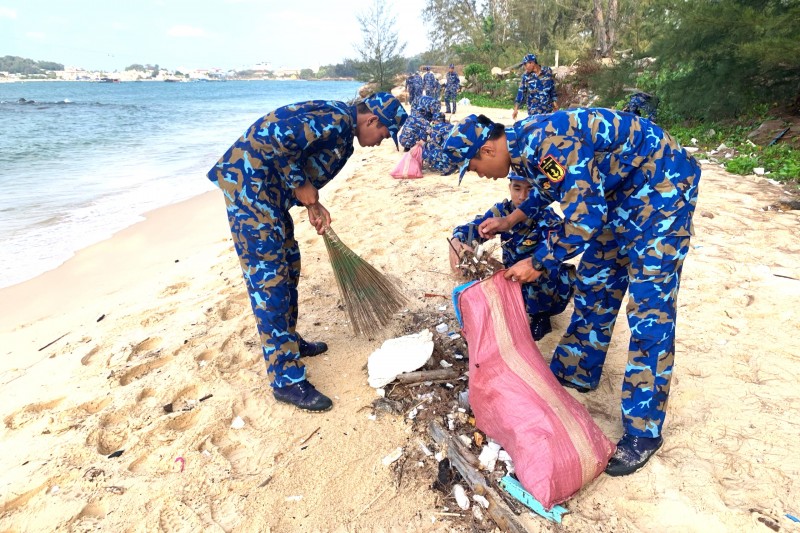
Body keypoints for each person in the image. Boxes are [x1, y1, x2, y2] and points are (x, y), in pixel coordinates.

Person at [441, 110, 701, 476]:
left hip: (662, 193)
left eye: (474, 166)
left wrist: (540, 261)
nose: (480, 175)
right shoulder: (526, 147)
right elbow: (553, 185)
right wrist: (510, 220)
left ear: (487, 149)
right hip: (617, 196)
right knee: (595, 283)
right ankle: (577, 370)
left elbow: (585, 218)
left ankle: (644, 431)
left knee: (649, 311)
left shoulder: (546, 142)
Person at [207, 93, 408, 412]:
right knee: (269, 283)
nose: (383, 140)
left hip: (268, 196)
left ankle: (287, 339)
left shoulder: (341, 127)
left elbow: (295, 158)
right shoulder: (336, 119)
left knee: (289, 262)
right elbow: (277, 137)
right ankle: (285, 379)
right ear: (371, 120)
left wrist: (312, 203)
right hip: (249, 192)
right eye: (384, 133)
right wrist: (301, 186)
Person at [449, 174, 575, 340]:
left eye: (530, 189)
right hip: (512, 274)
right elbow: (472, 228)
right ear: (510, 188)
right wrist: (457, 242)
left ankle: (541, 316)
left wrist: (536, 264)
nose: (522, 196)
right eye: (517, 188)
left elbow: (558, 250)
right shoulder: (502, 212)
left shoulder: (547, 218)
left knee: (544, 273)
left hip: (540, 277)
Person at [512, 53, 558, 120]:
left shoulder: (547, 71)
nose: (524, 67)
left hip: (547, 111)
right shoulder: (526, 77)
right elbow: (521, 93)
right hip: (533, 113)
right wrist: (516, 109)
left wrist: (554, 102)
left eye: (525, 64)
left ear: (532, 63)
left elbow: (552, 89)